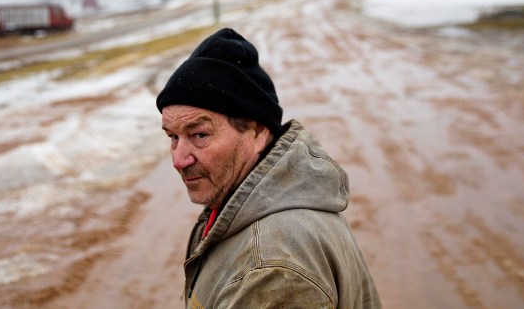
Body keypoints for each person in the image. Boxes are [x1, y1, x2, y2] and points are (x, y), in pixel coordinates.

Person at [157, 27, 381, 308]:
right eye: (173, 137)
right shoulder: (253, 205)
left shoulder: (272, 266)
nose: (179, 160)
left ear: (258, 130)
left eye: (199, 135)